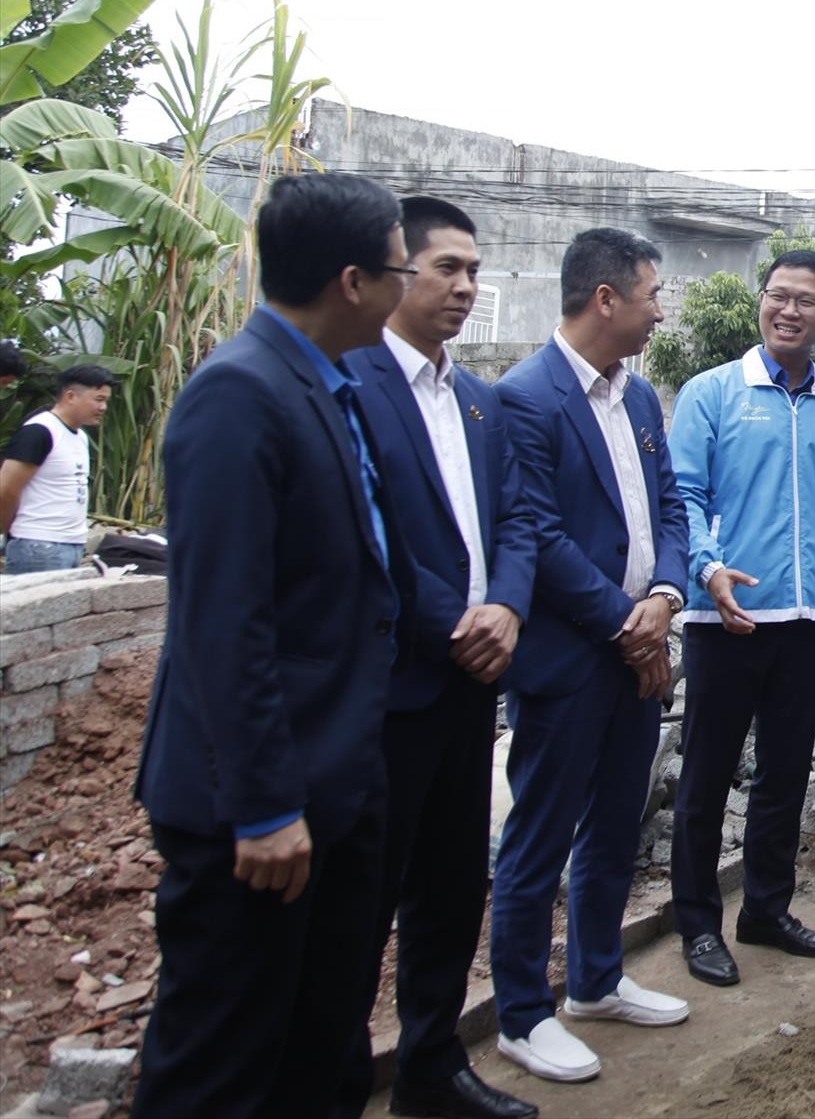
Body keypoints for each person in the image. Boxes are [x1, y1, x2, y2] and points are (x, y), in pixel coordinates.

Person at [134, 172, 416, 1119]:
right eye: (400, 269)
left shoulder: (326, 385)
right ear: (352, 281)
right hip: (256, 808)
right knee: (222, 1061)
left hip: (332, 780)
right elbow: (223, 622)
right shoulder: (238, 396)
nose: (410, 287)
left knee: (320, 1041)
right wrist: (261, 807)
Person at [339, 198, 539, 1119]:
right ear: (392, 272)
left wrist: (503, 604)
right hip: (387, 692)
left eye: (472, 271)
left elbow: (518, 523)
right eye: (445, 268)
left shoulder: (476, 399)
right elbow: (364, 539)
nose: (464, 287)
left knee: (452, 888)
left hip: (471, 689)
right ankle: (340, 1082)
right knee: (358, 905)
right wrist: (457, 621)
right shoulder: (349, 386)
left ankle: (431, 1066)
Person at [667, 249, 815, 980]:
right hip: (726, 619)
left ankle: (766, 910)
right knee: (706, 775)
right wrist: (708, 570)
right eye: (778, 296)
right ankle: (697, 924)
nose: (789, 310)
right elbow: (683, 498)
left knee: (785, 774)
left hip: (807, 620)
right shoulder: (711, 394)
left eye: (806, 301)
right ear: (761, 303)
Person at [490, 229, 691, 1084]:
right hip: (570, 660)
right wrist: (626, 622)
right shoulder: (523, 399)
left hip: (638, 650)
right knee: (538, 837)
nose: (659, 311)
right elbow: (535, 532)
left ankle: (597, 981)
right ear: (605, 298)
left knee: (616, 821)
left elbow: (672, 509)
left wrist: (666, 598)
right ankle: (520, 1017)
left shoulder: (640, 399)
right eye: (651, 295)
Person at [0, 363, 115, 575]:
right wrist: (7, 532)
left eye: (106, 401)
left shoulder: (80, 437)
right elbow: (6, 489)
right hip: (38, 546)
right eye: (98, 399)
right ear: (70, 396)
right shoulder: (40, 431)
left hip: (72, 545)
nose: (103, 408)